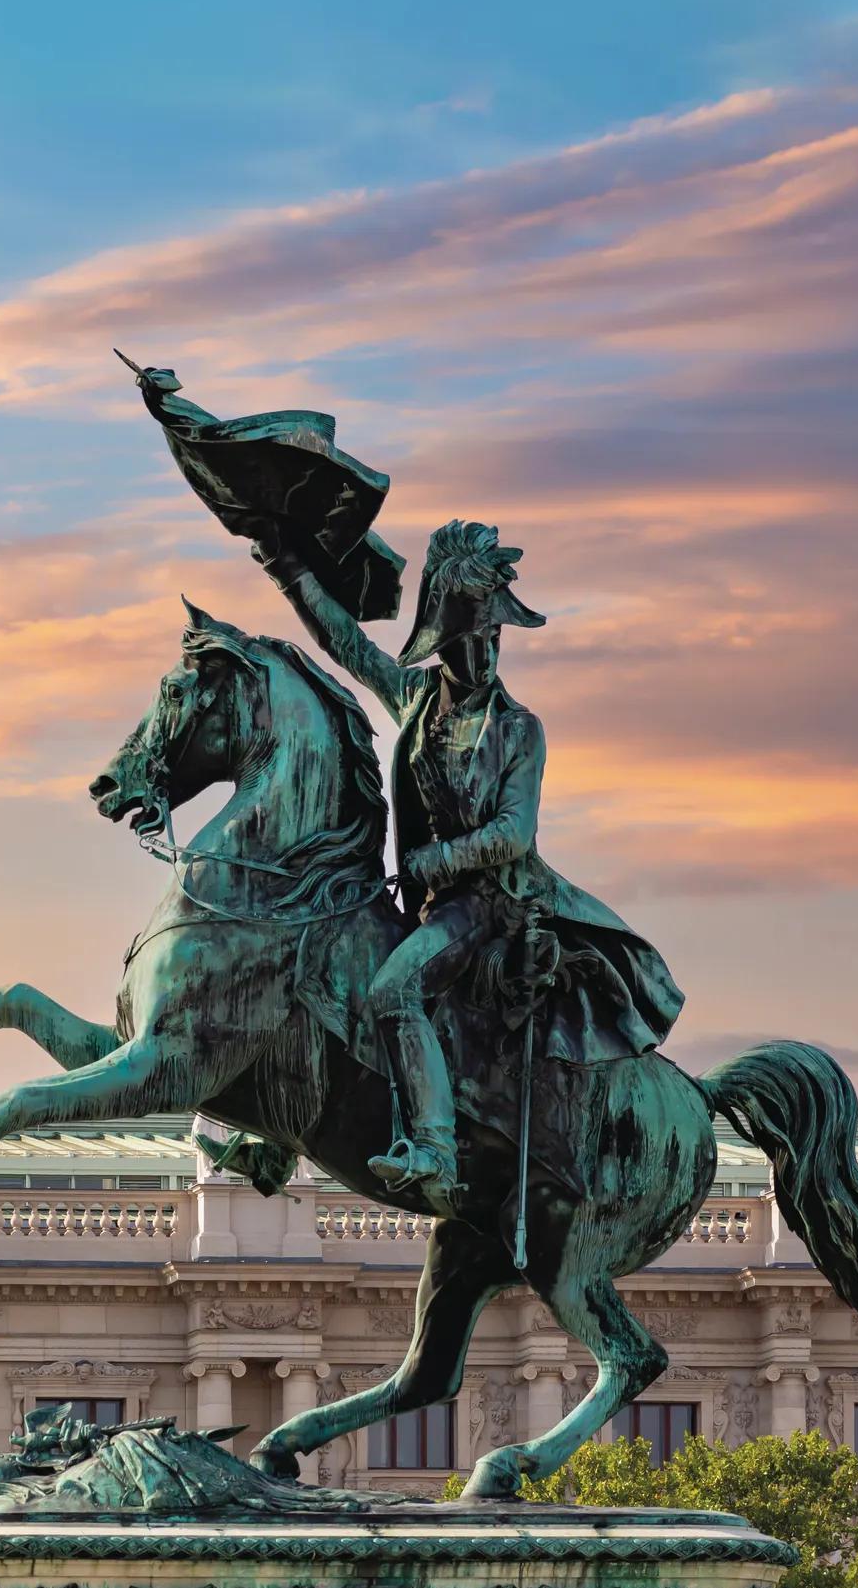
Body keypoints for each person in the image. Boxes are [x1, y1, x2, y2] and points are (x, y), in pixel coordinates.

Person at [245, 512, 683, 1206]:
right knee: (317, 962)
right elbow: (347, 645)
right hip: (425, 903)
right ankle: (279, 1135)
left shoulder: (518, 729)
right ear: (443, 640)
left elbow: (513, 832)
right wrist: (286, 567)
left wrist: (438, 861)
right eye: (473, 638)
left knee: (392, 991)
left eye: (494, 637)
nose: (486, 653)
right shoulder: (418, 699)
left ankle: (435, 1148)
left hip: (491, 906)